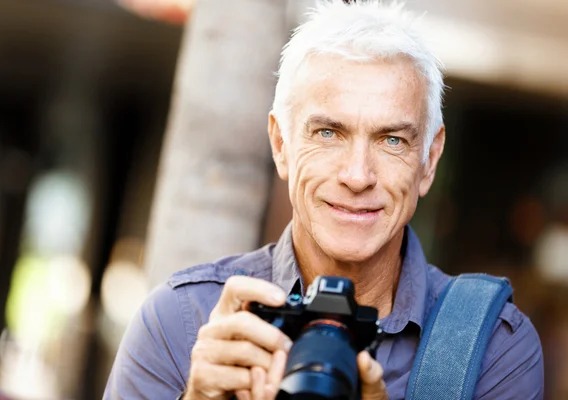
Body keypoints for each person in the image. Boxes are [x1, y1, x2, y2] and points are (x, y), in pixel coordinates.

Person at [104, 1, 544, 399]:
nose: (357, 176)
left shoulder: (491, 346)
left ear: (428, 161)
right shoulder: (182, 322)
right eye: (328, 133)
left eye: (391, 140)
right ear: (281, 145)